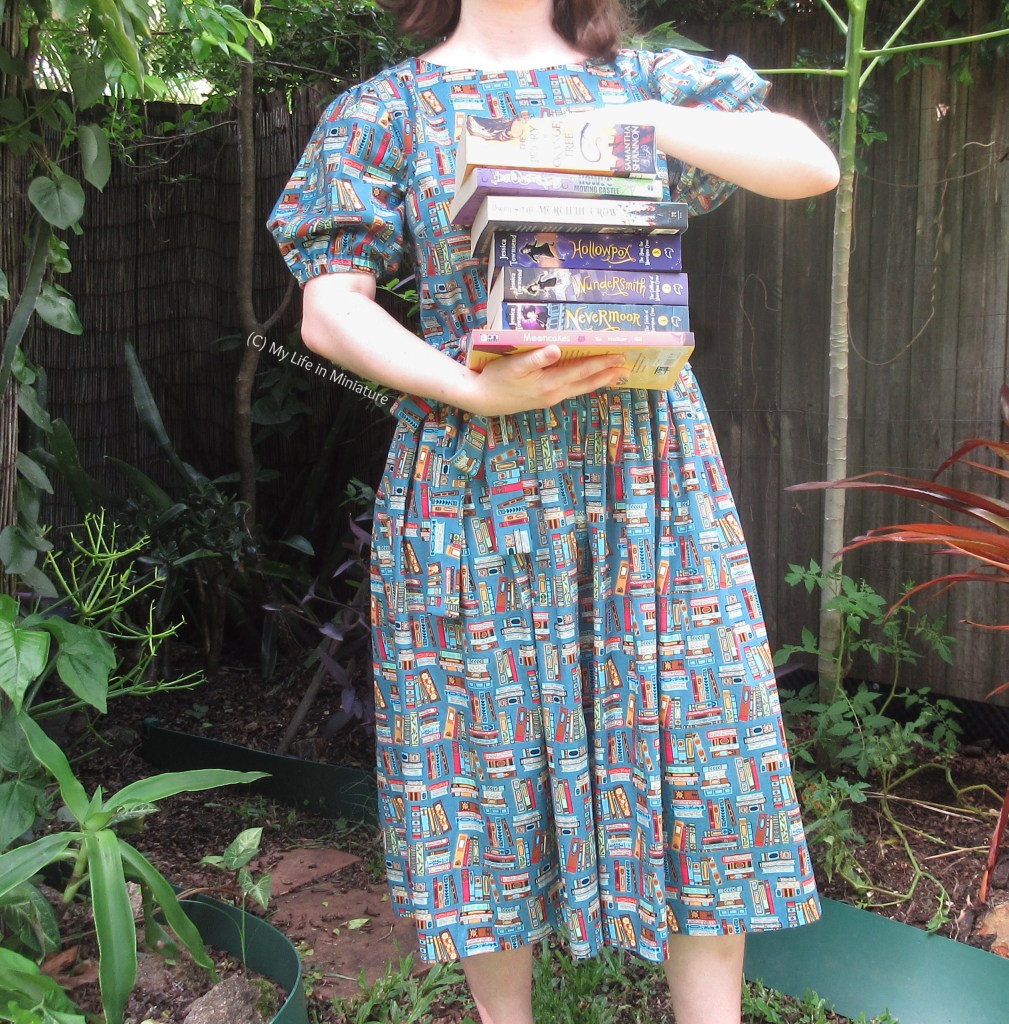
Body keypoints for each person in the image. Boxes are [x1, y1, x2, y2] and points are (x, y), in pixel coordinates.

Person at [268, 3, 840, 1022]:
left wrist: (634, 122)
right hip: (472, 471)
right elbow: (329, 306)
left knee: (695, 738)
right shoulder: (385, 110)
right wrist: (469, 387)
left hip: (647, 475)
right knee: (475, 748)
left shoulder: (645, 79)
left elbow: (806, 164)